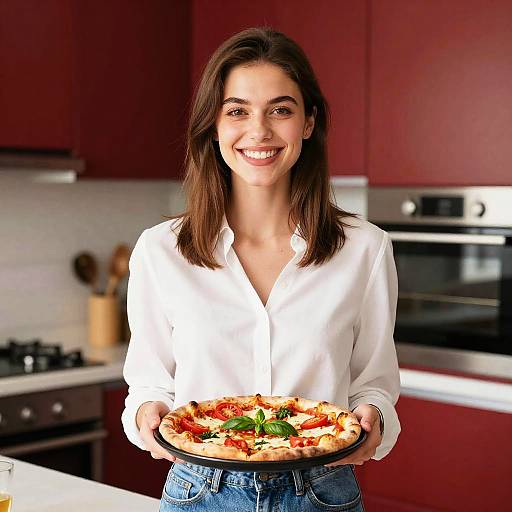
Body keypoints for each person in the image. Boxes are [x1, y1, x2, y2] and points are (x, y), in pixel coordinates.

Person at [122, 27, 401, 512]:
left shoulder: (366, 249)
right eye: (237, 111)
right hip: (199, 492)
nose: (259, 132)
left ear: (308, 123)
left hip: (320, 492)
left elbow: (374, 383)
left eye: (280, 110)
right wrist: (148, 412)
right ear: (214, 125)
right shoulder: (159, 250)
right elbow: (148, 383)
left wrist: (375, 415)